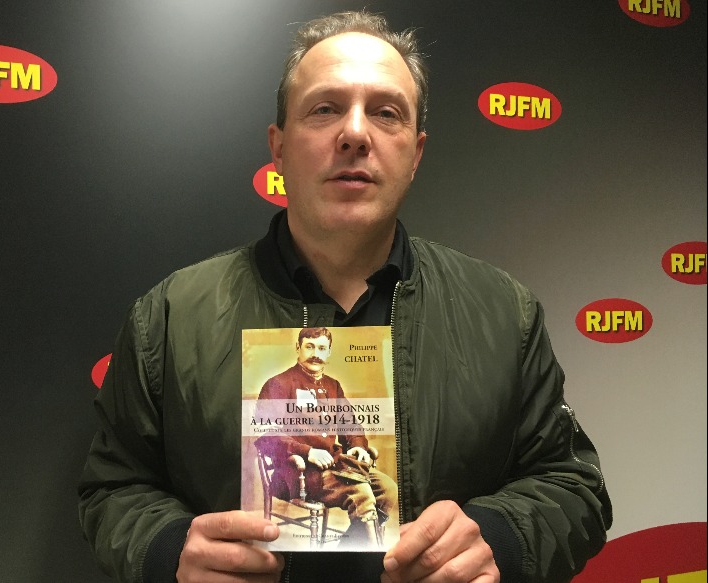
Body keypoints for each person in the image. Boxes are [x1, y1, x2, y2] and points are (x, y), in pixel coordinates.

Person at [78, 10, 612, 583]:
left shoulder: (505, 314)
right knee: (359, 495)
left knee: (367, 487)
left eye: (386, 113)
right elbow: (112, 488)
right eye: (325, 108)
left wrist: (499, 538)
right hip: (298, 479)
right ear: (279, 147)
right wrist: (168, 551)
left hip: (342, 476)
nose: (355, 133)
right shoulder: (169, 317)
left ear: (416, 153)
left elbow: (573, 487)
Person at [253, 327, 397, 549]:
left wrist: (358, 445)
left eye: (321, 348)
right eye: (309, 347)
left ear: (329, 351)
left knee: (387, 490)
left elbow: (350, 424)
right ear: (298, 348)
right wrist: (307, 451)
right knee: (361, 495)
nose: (315, 354)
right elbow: (267, 434)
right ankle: (365, 558)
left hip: (335, 466)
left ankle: (348, 550)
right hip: (298, 472)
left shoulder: (333, 385)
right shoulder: (279, 384)